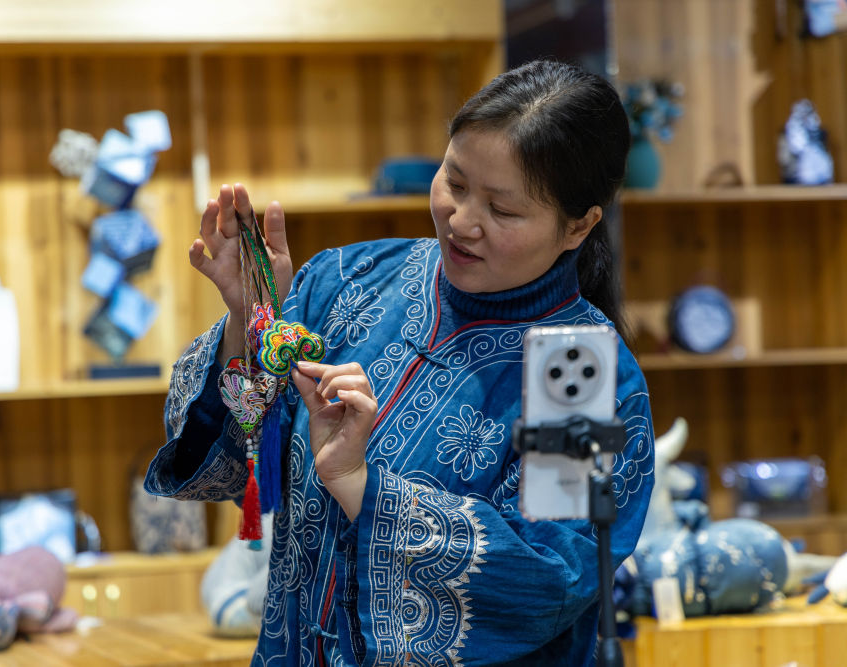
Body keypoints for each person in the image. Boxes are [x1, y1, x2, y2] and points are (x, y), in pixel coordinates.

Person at [145, 59, 654, 665]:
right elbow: (234, 471)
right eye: (455, 182)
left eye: (503, 210)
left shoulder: (579, 373)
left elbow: (549, 576)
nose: (462, 221)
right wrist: (247, 324)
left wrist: (362, 488)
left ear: (578, 226)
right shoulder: (347, 280)